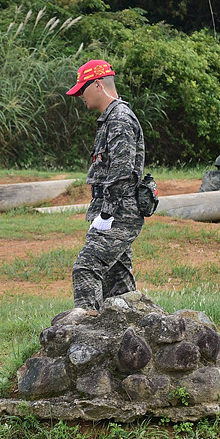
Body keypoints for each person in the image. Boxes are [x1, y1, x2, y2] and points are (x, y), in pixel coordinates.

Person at [67, 59, 146, 310]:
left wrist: (106, 214)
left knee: (86, 268)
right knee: (119, 285)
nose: (80, 95)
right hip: (117, 212)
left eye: (83, 88)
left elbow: (122, 173)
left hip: (118, 213)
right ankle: (132, 339)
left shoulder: (120, 119)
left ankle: (85, 332)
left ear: (98, 85)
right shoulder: (110, 119)